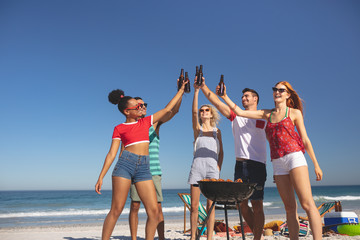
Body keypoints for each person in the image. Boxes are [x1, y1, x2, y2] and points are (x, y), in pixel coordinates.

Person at [219, 81, 323, 240]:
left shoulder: (294, 113)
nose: (277, 92)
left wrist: (316, 164)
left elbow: (305, 140)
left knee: (307, 204)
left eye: (282, 90)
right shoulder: (267, 114)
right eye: (275, 89)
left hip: (295, 157)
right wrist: (225, 96)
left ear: (288, 94)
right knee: (289, 208)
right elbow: (239, 112)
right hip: (278, 163)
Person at [95, 80, 187, 240]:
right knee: (116, 210)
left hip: (144, 167)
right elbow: (111, 154)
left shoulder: (146, 122)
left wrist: (181, 90)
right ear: (126, 111)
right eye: (136, 107)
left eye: (140, 106)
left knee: (153, 212)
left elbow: (167, 109)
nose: (140, 107)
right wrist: (101, 176)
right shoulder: (119, 128)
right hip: (125, 165)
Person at [199, 79, 267, 240]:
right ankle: (258, 233)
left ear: (255, 99)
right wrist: (203, 86)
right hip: (240, 165)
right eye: (242, 96)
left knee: (257, 204)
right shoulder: (235, 115)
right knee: (241, 204)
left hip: (258, 165)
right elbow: (214, 100)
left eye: (247, 96)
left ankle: (257, 237)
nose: (243, 98)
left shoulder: (264, 116)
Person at [128, 96, 182, 240]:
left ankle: (161, 238)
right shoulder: (130, 127)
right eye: (139, 105)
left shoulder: (155, 124)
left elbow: (173, 111)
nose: (143, 106)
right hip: (136, 170)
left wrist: (181, 92)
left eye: (144, 104)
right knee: (134, 205)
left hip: (154, 172)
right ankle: (133, 238)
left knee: (157, 208)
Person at [187, 81, 224, 240]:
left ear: (211, 113)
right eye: (202, 110)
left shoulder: (217, 131)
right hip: (197, 169)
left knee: (210, 206)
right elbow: (193, 112)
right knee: (194, 206)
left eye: (206, 110)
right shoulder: (198, 130)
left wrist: (218, 168)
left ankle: (209, 237)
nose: (203, 112)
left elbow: (221, 152)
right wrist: (196, 92)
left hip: (212, 170)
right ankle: (193, 237)